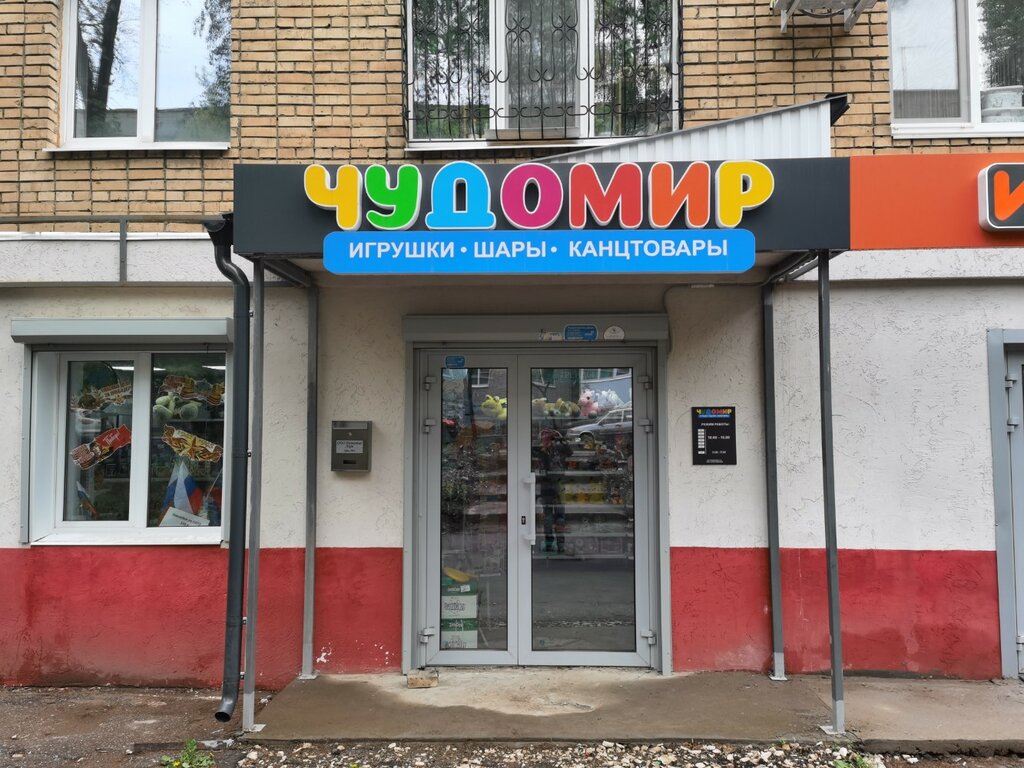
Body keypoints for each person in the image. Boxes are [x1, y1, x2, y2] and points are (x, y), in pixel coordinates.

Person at [534, 428, 572, 553]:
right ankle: (553, 544)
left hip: (555, 485)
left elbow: (570, 452)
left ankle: (558, 545)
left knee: (555, 516)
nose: (548, 441)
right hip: (550, 485)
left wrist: (560, 439)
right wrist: (557, 441)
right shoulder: (541, 451)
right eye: (546, 439)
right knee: (550, 516)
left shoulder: (557, 449)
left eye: (549, 438)